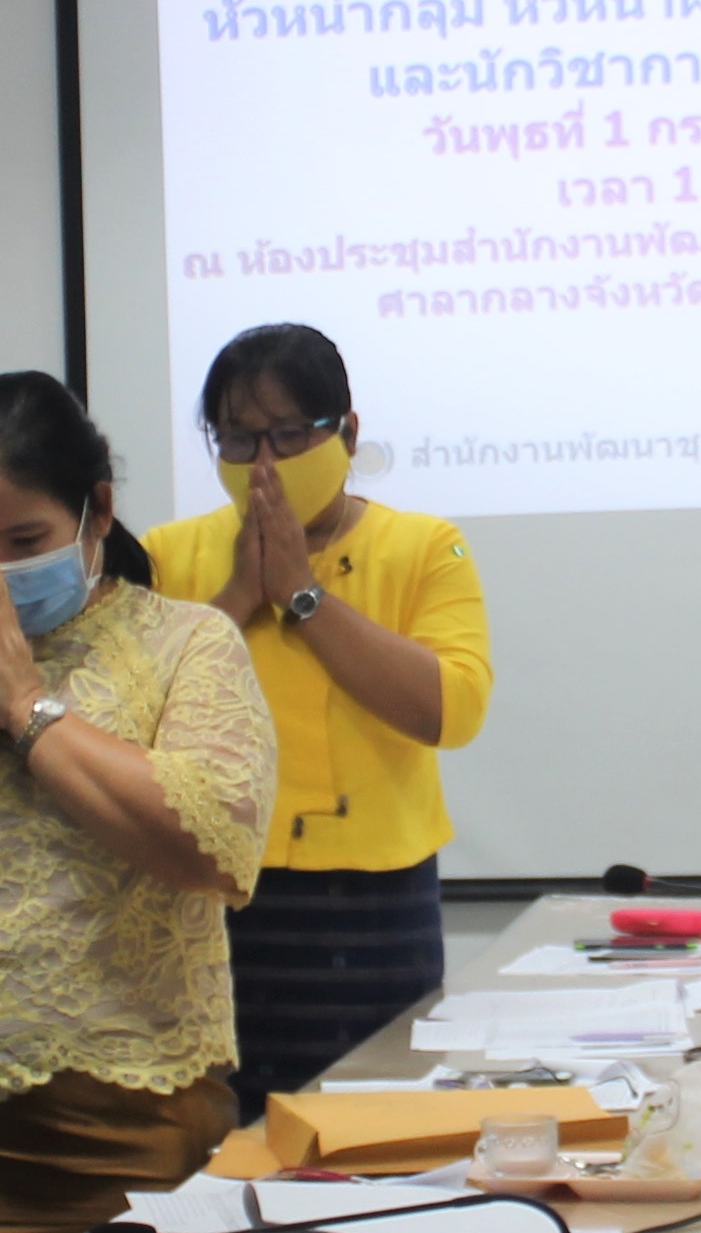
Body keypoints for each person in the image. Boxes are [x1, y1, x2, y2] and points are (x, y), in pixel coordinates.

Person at [0, 372, 273, 1233]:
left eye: (25, 543)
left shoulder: (189, 641)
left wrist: (28, 711)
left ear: (96, 511)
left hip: (139, 1130)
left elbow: (215, 843)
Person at [140, 324, 491, 1107]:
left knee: (375, 1126)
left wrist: (302, 594)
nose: (264, 464)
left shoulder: (426, 546)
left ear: (348, 432)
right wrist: (239, 593)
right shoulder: (168, 554)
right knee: (228, 1133)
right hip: (212, 893)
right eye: (238, 439)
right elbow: (139, 720)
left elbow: (453, 708)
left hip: (372, 905)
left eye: (290, 435)